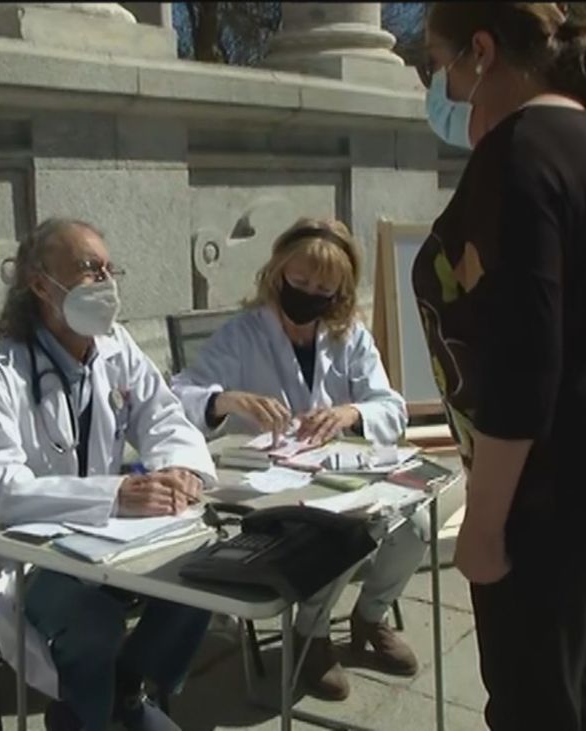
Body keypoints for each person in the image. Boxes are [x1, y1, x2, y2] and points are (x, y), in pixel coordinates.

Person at [416, 4, 586, 731]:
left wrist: (484, 522)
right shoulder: (581, 139)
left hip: (554, 477)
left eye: (440, 64)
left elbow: (524, 357)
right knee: (568, 674)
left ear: (482, 51)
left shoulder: (521, 153)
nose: (441, 88)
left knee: (530, 699)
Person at [0, 218, 218, 731]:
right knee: (93, 622)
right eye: (89, 269)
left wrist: (182, 467)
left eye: (109, 269)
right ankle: (100, 715)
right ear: (40, 284)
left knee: (206, 575)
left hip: (109, 545)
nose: (105, 282)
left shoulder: (117, 349)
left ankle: (122, 692)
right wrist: (114, 495)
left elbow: (164, 417)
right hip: (27, 556)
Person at [170, 218, 420, 701]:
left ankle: (370, 617)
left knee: (417, 524)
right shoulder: (243, 333)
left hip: (336, 476)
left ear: (339, 292)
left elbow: (393, 408)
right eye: (300, 281)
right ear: (278, 272)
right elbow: (179, 394)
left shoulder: (349, 336)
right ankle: (310, 632)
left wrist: (352, 412)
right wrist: (226, 400)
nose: (308, 295)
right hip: (265, 489)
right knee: (346, 530)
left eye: (323, 289)